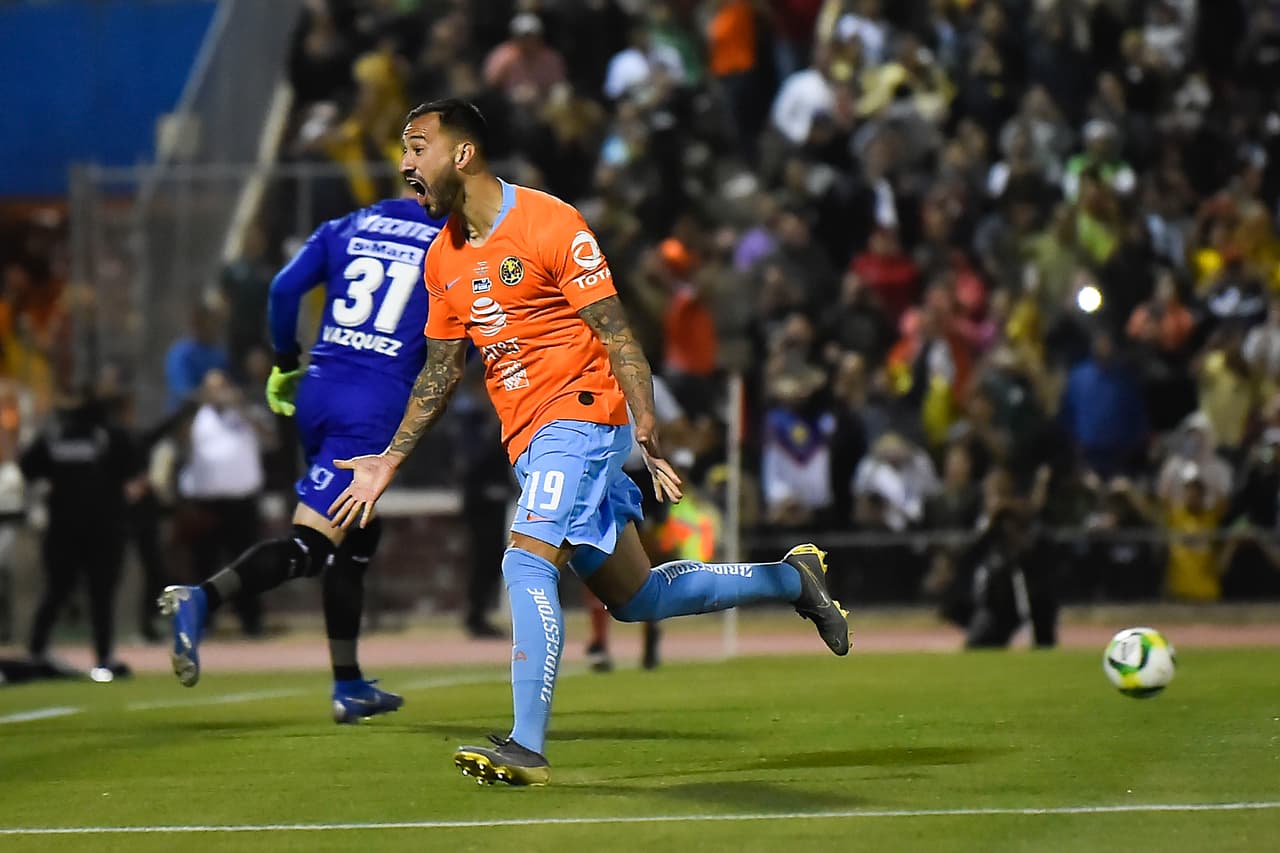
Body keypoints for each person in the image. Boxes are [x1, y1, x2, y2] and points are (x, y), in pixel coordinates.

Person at [328, 99, 852, 786]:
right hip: (534, 440)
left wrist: (645, 423)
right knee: (639, 598)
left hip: (578, 416)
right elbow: (439, 372)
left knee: (525, 560)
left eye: (417, 147)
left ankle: (526, 743)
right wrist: (389, 458)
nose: (403, 164)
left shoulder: (550, 221)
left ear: (463, 154)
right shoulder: (440, 261)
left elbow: (615, 330)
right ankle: (792, 577)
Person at [159, 192, 446, 724]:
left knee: (358, 536)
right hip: (374, 403)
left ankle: (350, 684)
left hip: (319, 388)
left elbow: (284, 288)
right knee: (312, 545)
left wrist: (285, 362)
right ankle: (201, 599)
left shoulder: (346, 224)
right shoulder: (450, 238)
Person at [21, 386, 137, 682]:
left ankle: (38, 650)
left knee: (59, 590)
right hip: (103, 527)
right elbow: (133, 464)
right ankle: (102, 657)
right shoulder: (108, 435)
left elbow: (29, 466)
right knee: (99, 594)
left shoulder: (55, 436)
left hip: (65, 527)